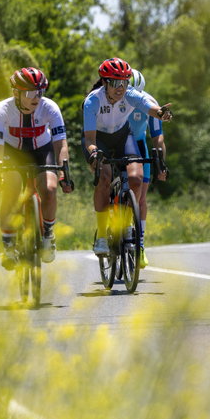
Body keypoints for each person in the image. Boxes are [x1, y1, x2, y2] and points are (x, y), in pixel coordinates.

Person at [82, 58, 172, 256]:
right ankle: (102, 236)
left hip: (123, 136)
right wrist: (94, 153)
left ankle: (128, 225)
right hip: (99, 139)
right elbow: (89, 139)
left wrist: (161, 113)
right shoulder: (92, 101)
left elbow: (148, 106)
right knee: (104, 179)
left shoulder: (129, 94)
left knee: (136, 179)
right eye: (115, 82)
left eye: (124, 82)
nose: (120, 87)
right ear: (105, 82)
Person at [0, 68, 74, 269]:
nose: (36, 97)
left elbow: (61, 144)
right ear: (16, 93)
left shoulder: (50, 107)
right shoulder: (1, 110)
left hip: (41, 150)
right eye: (30, 93)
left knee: (50, 189)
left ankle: (48, 233)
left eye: (39, 92)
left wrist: (64, 171)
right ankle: (9, 246)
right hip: (12, 152)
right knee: (12, 187)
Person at [127, 69, 168, 267]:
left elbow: (157, 137)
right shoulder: (115, 99)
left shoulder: (148, 102)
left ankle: (140, 244)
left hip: (139, 143)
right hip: (116, 142)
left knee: (141, 196)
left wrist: (161, 164)